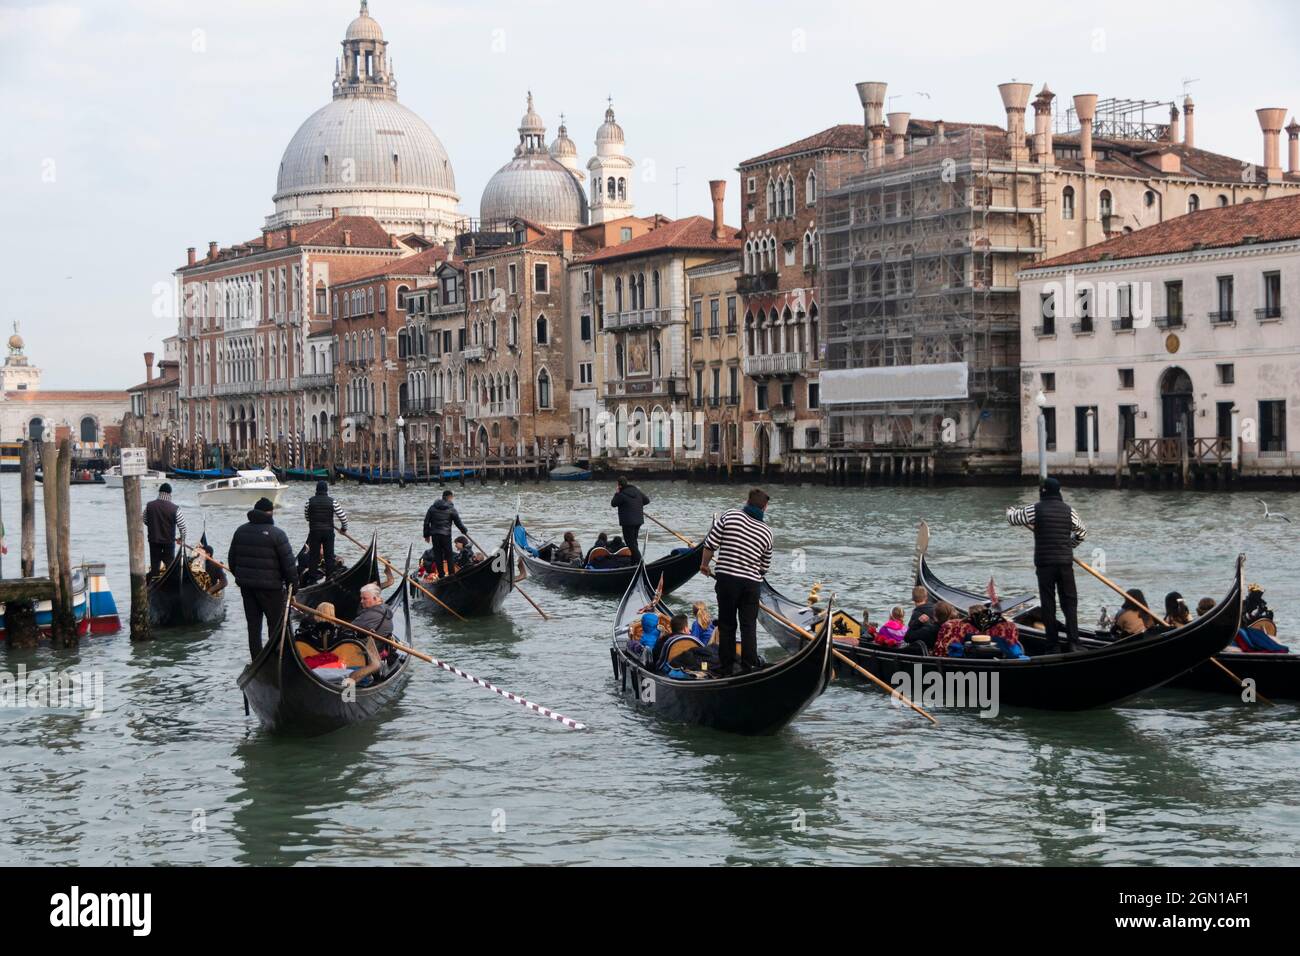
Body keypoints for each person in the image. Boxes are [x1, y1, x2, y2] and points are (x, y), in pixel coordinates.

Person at [1006, 476, 1088, 653]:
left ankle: (1053, 645)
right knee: (1069, 602)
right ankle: (1075, 643)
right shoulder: (1069, 510)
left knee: (1048, 603)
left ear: (1043, 491)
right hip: (1065, 563)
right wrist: (1069, 544)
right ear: (1058, 492)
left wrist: (1009, 510)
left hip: (1045, 564)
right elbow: (1082, 532)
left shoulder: (1034, 509)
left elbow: (1013, 518)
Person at [700, 488, 774, 676]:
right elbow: (764, 567)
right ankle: (748, 667)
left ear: (747, 501)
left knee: (727, 624)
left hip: (727, 580)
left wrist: (704, 565)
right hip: (752, 585)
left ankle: (727, 667)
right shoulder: (767, 532)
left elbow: (710, 544)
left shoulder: (730, 516)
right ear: (764, 507)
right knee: (749, 625)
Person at [228, 497, 297, 659]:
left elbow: (232, 560)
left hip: (247, 588)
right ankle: (273, 660)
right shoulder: (277, 534)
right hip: (271, 589)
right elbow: (289, 566)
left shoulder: (240, 531)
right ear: (270, 512)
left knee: (253, 626)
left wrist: (242, 577)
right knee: (275, 625)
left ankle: (257, 660)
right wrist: (293, 589)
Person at [303, 481, 348, 582]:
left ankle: (312, 579)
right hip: (328, 532)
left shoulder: (309, 501)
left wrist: (314, 520)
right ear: (326, 490)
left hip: (314, 531)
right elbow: (343, 517)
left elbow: (307, 517)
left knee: (313, 556)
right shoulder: (333, 501)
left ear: (316, 490)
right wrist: (343, 528)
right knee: (329, 556)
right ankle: (329, 578)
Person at [143, 483, 187, 577]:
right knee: (170, 566)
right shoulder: (175, 509)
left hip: (153, 541)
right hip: (168, 542)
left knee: (155, 567)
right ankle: (170, 585)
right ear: (170, 494)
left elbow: (145, 520)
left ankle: (154, 582)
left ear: (159, 492)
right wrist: (181, 539)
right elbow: (183, 527)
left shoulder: (149, 505)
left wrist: (154, 527)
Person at [352, 582, 396, 675]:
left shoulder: (370, 615)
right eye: (361, 598)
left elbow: (350, 627)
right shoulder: (385, 608)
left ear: (375, 599)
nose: (361, 601)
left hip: (366, 654)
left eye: (364, 598)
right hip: (380, 648)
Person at [423, 490, 468, 577]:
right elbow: (458, 522)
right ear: (449, 497)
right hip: (446, 535)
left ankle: (441, 575)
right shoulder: (451, 509)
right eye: (452, 498)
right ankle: (451, 575)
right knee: (449, 555)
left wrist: (426, 535)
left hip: (435, 535)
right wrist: (464, 530)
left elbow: (426, 522)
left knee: (438, 555)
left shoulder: (432, 508)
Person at [610, 476, 650, 562]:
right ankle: (634, 561)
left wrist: (617, 493)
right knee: (634, 542)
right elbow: (646, 500)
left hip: (628, 522)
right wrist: (636, 505)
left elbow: (613, 504)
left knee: (630, 542)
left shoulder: (621, 494)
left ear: (619, 486)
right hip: (638, 520)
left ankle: (640, 561)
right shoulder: (636, 491)